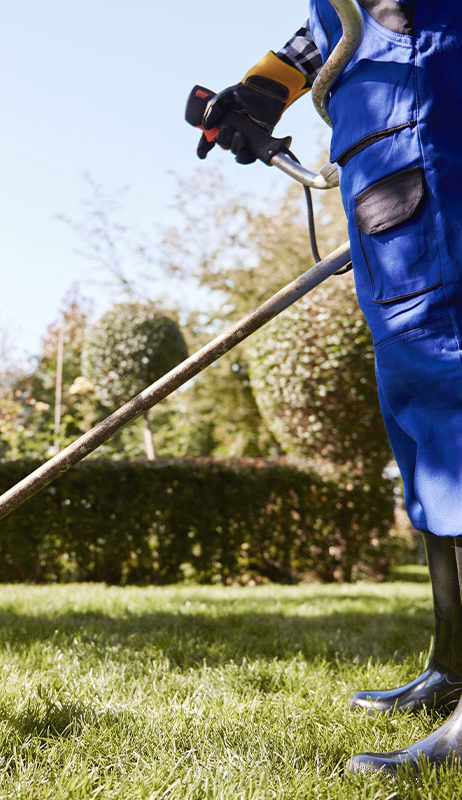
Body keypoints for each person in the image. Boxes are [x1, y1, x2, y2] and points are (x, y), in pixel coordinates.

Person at [194, 1, 462, 776]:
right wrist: (263, 87)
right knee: (421, 410)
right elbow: (344, 20)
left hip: (433, 120)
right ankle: (454, 662)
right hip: (384, 152)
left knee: (452, 389)